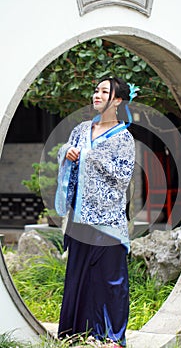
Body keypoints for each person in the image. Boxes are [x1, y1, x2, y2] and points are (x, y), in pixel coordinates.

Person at [55, 76, 139, 347]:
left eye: (105, 91)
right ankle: (76, 333)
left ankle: (112, 337)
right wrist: (68, 152)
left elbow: (122, 176)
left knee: (110, 281)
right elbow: (65, 153)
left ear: (117, 100)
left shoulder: (123, 137)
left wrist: (92, 156)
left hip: (107, 221)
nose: (97, 95)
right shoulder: (80, 129)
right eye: (96, 90)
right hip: (79, 218)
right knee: (78, 276)